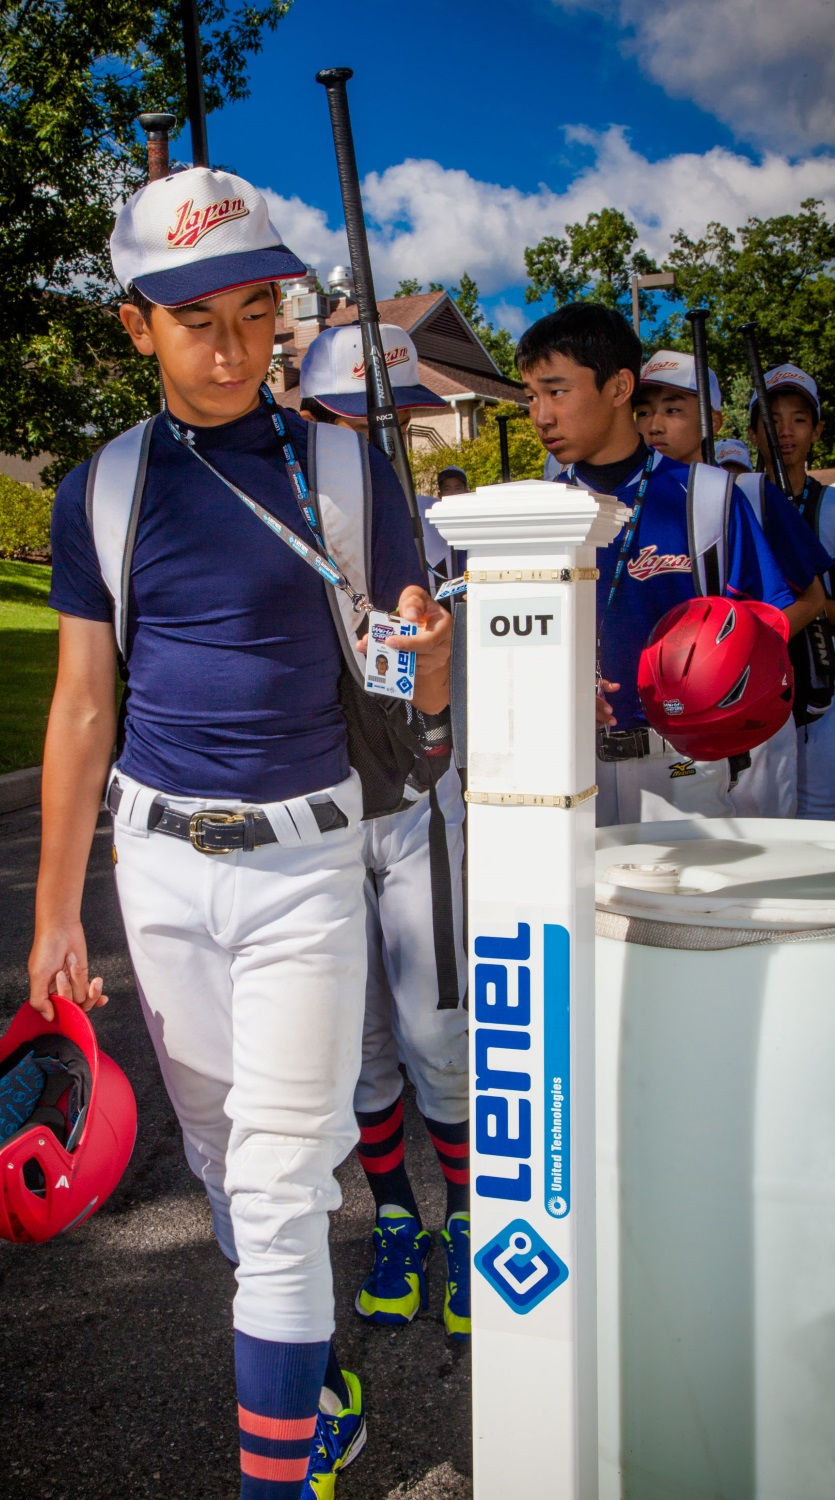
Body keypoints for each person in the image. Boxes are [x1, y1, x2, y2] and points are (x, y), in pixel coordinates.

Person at [28, 166, 452, 1500]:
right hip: (156, 872)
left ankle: (278, 1467)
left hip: (305, 870)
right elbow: (83, 705)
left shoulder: (342, 467)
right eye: (195, 321)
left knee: (274, 1189)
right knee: (224, 1170)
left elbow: (408, 683)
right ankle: (305, 1382)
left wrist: (428, 663)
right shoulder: (102, 489)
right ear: (135, 327)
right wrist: (54, 913)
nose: (230, 349)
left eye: (256, 316)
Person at [299, 323, 471, 1340]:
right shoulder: (284, 524)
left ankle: (469, 1219)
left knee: (437, 1036)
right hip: (318, 817)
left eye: (393, 420)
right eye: (350, 419)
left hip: (416, 806)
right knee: (358, 1051)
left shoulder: (448, 536)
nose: (375, 440)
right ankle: (398, 1218)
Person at [519, 305, 813, 827]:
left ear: (619, 386)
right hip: (571, 765)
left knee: (696, 885)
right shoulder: (534, 512)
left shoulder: (711, 496)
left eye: (556, 391)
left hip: (683, 766)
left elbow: (772, 621)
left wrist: (720, 679)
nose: (541, 416)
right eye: (530, 397)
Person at [635, 348, 830, 817]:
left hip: (751, 718)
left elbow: (811, 597)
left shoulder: (749, 493)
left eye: (673, 410)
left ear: (713, 421)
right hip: (669, 724)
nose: (655, 425)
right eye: (643, 411)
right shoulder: (628, 502)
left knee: (762, 844)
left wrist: (738, 653)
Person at [748, 363, 835, 818]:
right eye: (772, 419)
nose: (785, 431)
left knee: (820, 820)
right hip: (753, 695)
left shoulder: (831, 506)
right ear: (752, 432)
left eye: (798, 419)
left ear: (816, 431)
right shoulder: (734, 500)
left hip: (825, 694)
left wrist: (806, 608)